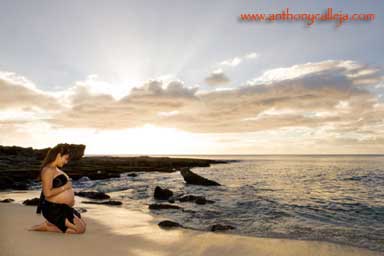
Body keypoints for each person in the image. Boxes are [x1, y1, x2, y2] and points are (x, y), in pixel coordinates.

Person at [28, 143, 87, 234]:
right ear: (59, 155)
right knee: (80, 229)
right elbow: (47, 194)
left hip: (63, 208)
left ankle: (51, 224)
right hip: (54, 209)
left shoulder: (55, 169)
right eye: (66, 158)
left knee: (83, 225)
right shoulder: (48, 170)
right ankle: (47, 226)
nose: (66, 162)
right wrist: (65, 187)